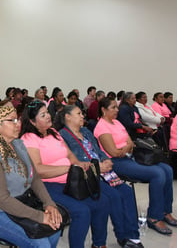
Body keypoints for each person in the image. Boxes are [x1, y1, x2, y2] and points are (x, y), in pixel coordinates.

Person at [20, 101, 109, 248]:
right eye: (43, 115)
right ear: (32, 121)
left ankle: (99, 244)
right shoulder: (29, 138)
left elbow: (69, 154)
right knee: (82, 211)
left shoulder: (54, 133)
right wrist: (68, 168)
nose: (49, 116)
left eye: (47, 112)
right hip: (46, 185)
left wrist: (78, 165)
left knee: (102, 202)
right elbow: (38, 170)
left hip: (70, 180)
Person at [0, 106, 62, 248]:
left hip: (19, 201)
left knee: (54, 228)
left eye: (17, 119)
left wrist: (49, 204)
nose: (18, 123)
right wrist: (40, 216)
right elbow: (2, 200)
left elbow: (35, 177)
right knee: (41, 243)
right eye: (11, 120)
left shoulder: (17, 144)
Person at [55, 104, 143, 248]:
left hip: (104, 170)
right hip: (89, 175)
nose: (83, 116)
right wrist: (97, 167)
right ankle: (122, 237)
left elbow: (98, 150)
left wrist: (106, 160)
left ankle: (133, 235)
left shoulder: (86, 131)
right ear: (67, 117)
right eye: (78, 113)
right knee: (113, 197)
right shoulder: (62, 135)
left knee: (126, 191)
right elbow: (73, 159)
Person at [94, 97, 177, 236]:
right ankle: (154, 216)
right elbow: (113, 152)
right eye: (113, 108)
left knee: (167, 169)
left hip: (130, 157)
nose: (117, 110)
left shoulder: (117, 122)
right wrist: (126, 148)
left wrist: (126, 148)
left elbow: (131, 142)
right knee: (157, 173)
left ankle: (165, 211)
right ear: (103, 110)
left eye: (117, 107)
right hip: (116, 163)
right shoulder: (102, 127)